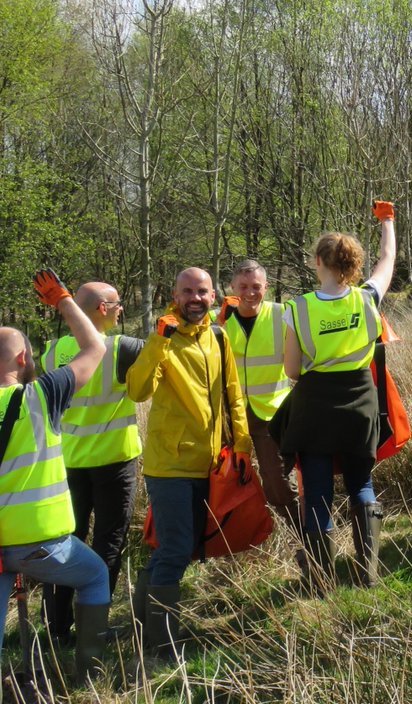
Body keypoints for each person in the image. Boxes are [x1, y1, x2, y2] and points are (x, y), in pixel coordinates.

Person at [0, 270, 108, 704]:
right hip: (43, 543)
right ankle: (90, 678)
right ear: (22, 356)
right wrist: (65, 302)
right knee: (95, 579)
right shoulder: (41, 395)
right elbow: (96, 348)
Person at [126, 267, 252, 658]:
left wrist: (243, 445)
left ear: (213, 295)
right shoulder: (163, 338)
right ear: (175, 295)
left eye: (202, 291)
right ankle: (161, 645)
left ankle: (142, 623)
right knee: (177, 549)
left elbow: (234, 394)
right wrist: (158, 341)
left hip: (211, 463)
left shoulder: (218, 335)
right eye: (187, 292)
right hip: (170, 466)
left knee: (176, 548)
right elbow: (137, 389)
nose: (195, 298)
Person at [282, 201, 396, 593]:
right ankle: (368, 574)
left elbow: (292, 371)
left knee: (317, 491)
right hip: (360, 400)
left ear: (318, 261)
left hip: (315, 405)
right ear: (352, 263)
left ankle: (321, 582)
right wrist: (387, 222)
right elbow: (387, 259)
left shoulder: (297, 308)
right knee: (361, 482)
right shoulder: (367, 298)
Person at [39, 281, 143, 645]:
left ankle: (55, 625)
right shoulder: (121, 348)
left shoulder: (51, 352)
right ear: (101, 308)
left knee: (65, 543)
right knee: (108, 542)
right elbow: (171, 350)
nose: (121, 310)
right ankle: (93, 625)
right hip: (114, 462)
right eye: (117, 304)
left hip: (66, 465)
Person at [216, 261, 299, 532]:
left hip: (271, 414)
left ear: (267, 287)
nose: (250, 293)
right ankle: (238, 538)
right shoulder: (218, 319)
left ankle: (306, 542)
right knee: (222, 481)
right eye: (243, 287)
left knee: (278, 482)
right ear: (231, 288)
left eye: (256, 286)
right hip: (229, 415)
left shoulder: (283, 314)